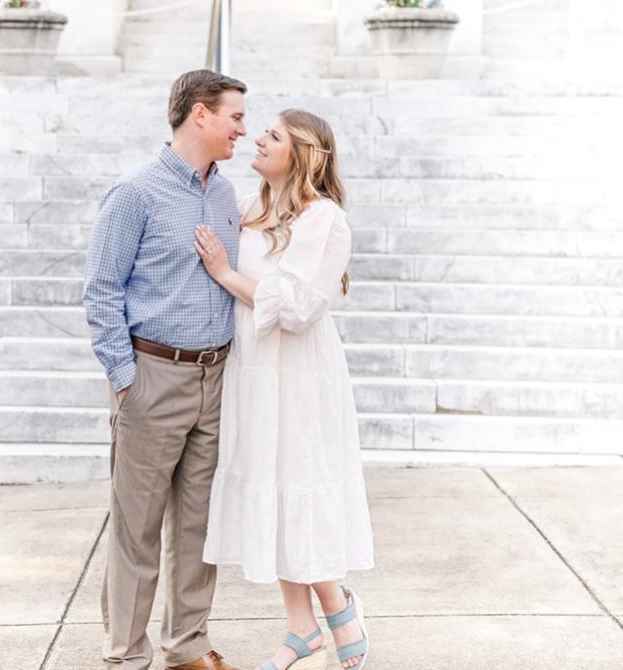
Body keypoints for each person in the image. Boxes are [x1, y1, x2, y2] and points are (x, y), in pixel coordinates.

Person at [193, 109, 374, 670]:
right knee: (271, 487)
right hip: (251, 369)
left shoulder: (325, 220)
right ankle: (301, 626)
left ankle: (335, 604)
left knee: (300, 483)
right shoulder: (249, 207)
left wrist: (225, 273)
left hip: (297, 374)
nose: (258, 139)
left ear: (303, 154)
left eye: (272, 136)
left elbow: (297, 308)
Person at [83, 69, 248, 670]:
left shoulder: (226, 196)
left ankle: (187, 645)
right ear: (200, 114)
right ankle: (127, 654)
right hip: (152, 377)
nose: (243, 129)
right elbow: (101, 291)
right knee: (137, 528)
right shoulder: (135, 193)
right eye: (234, 116)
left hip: (216, 378)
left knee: (200, 527)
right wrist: (126, 379)